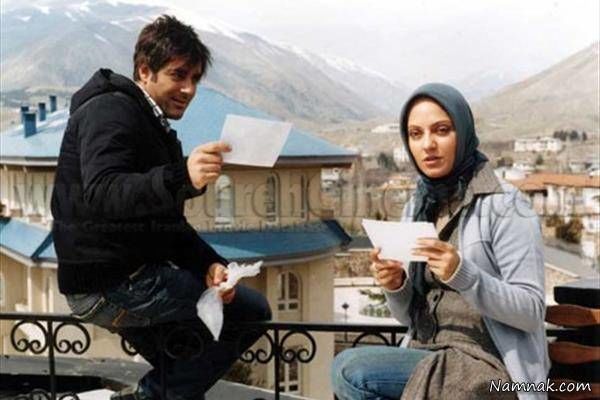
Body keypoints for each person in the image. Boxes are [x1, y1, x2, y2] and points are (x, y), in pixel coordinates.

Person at [51, 15, 271, 400]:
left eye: (195, 79)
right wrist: (181, 176)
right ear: (144, 70)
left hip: (115, 278)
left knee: (185, 358)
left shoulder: (150, 124)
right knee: (249, 313)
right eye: (178, 75)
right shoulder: (112, 111)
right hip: (113, 284)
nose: (188, 89)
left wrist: (210, 265)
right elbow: (103, 192)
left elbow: (167, 226)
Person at [331, 83, 549, 400]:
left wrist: (463, 274)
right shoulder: (418, 206)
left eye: (442, 130)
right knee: (348, 368)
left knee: (352, 370)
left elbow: (531, 311)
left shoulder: (506, 205)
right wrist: (396, 285)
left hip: (489, 367)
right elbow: (410, 318)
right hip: (427, 353)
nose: (428, 145)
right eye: (415, 134)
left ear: (463, 132)